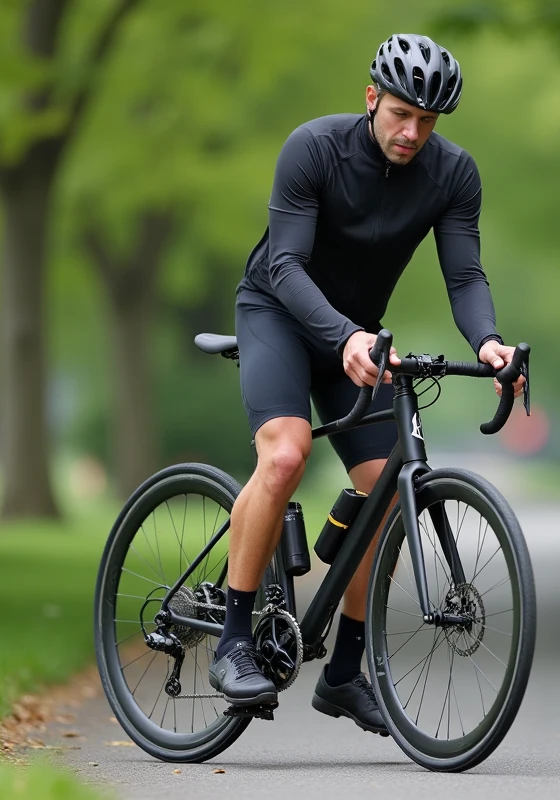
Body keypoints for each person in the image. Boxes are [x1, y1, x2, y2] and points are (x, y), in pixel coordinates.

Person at [208, 33, 525, 734]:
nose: (413, 133)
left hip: (358, 334)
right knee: (286, 454)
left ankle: (346, 673)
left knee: (386, 485)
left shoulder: (454, 175)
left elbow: (465, 276)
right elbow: (287, 266)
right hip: (280, 313)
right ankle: (232, 640)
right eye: (401, 114)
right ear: (371, 97)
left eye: (429, 122)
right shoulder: (313, 149)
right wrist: (343, 335)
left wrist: (489, 342)